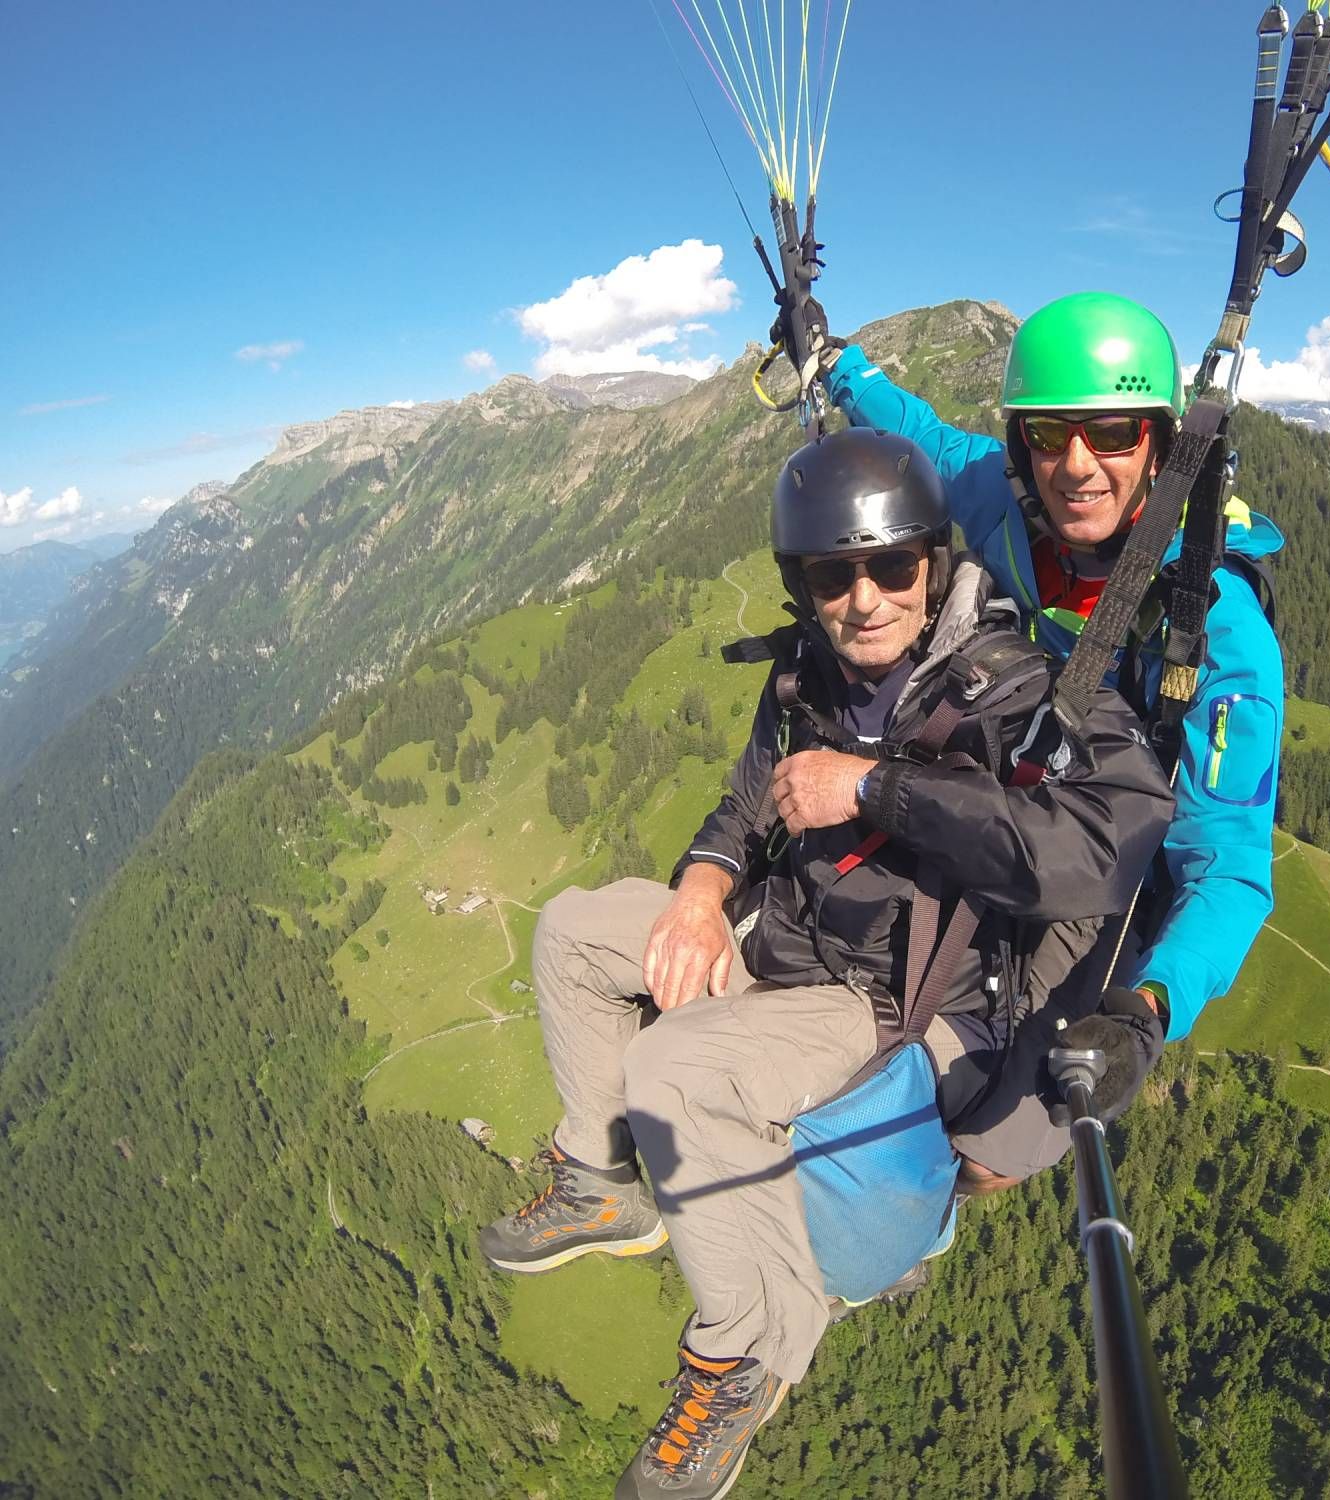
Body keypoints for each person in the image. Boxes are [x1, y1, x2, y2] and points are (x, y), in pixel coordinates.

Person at [479, 428, 1173, 1499]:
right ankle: (603, 1180)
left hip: (889, 996)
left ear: (933, 562)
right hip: (783, 941)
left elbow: (1103, 845)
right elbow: (747, 800)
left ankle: (745, 1353)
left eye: (890, 566)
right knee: (575, 930)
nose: (864, 598)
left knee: (672, 1072)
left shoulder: (1010, 690)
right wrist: (706, 889)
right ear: (802, 584)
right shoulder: (807, 675)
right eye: (830, 574)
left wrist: (877, 790)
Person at [812, 292, 1286, 1084]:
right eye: (1046, 433)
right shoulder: (1011, 504)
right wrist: (837, 366)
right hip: (1025, 800)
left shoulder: (1220, 635)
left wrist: (1148, 1008)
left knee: (997, 1144)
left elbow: (1229, 866)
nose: (1074, 466)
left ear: (1164, 447)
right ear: (1020, 443)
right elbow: (918, 431)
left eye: (1110, 433)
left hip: (1118, 857)